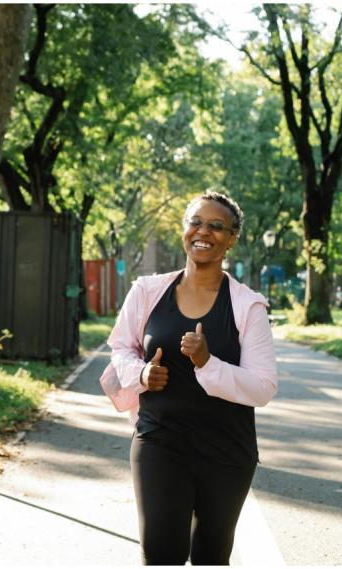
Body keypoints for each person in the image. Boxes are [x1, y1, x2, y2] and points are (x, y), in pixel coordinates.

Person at [101, 190, 277, 565]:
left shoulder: (248, 305)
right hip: (159, 441)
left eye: (217, 226)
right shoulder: (147, 291)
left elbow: (263, 387)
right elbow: (120, 349)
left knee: (211, 558)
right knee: (162, 554)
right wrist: (143, 373)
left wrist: (207, 362)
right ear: (184, 230)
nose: (204, 232)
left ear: (231, 239)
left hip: (227, 450)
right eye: (195, 222)